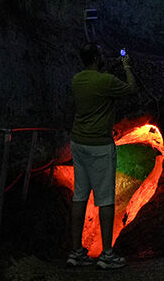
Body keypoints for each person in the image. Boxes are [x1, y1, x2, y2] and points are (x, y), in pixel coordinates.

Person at [67, 42, 136, 269]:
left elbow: (96, 83)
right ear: (97, 58)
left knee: (80, 196)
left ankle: (76, 252)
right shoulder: (106, 81)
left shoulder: (77, 80)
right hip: (99, 146)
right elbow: (131, 89)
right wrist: (126, 67)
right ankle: (107, 255)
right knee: (105, 199)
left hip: (78, 143)